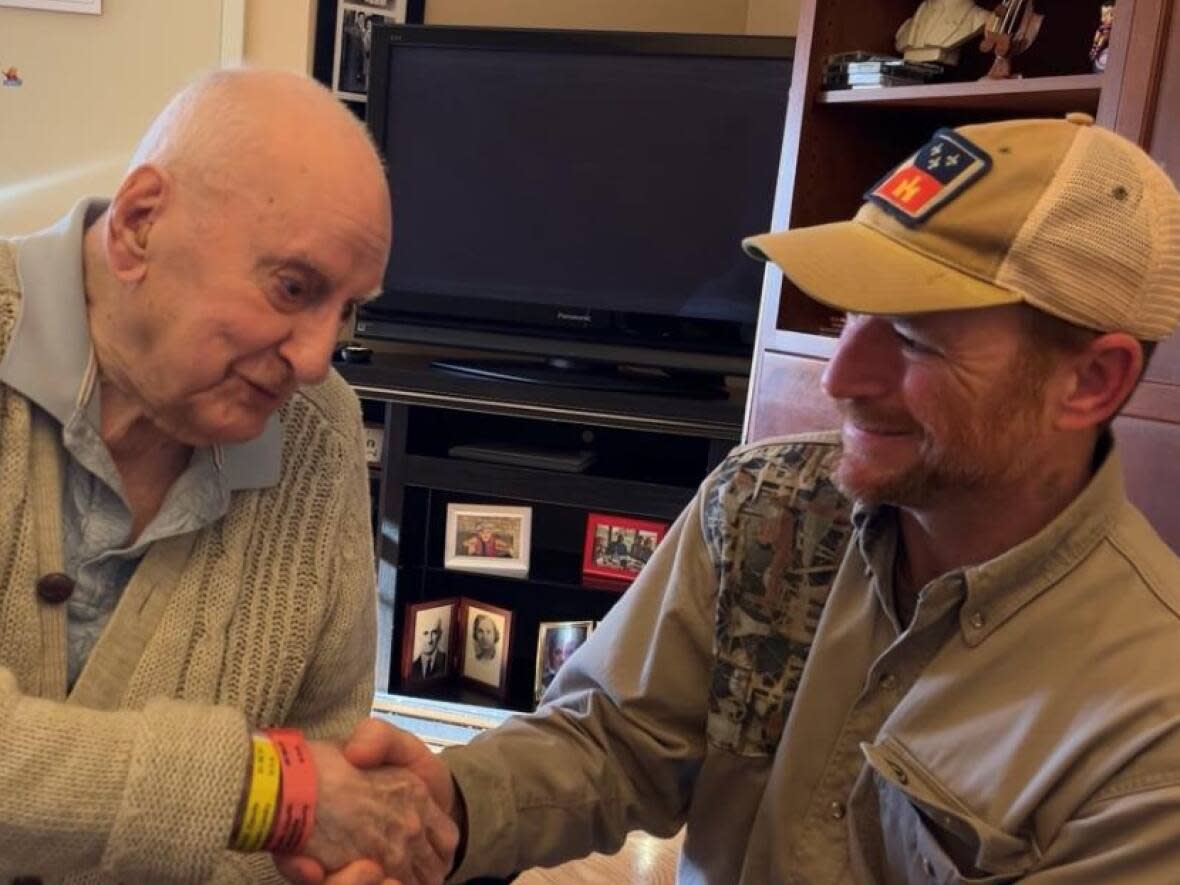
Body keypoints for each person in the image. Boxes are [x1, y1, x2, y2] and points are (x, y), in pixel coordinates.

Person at [282, 114, 1180, 885]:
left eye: (912, 339)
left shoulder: (1149, 727)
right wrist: (452, 803)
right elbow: (615, 739)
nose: (842, 377)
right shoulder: (769, 507)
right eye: (845, 316)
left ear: (1092, 381)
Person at [0, 69, 456, 883]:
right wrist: (263, 791)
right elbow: (303, 793)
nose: (316, 360)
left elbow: (330, 748)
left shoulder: (321, 435)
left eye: (347, 309)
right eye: (293, 287)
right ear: (140, 225)